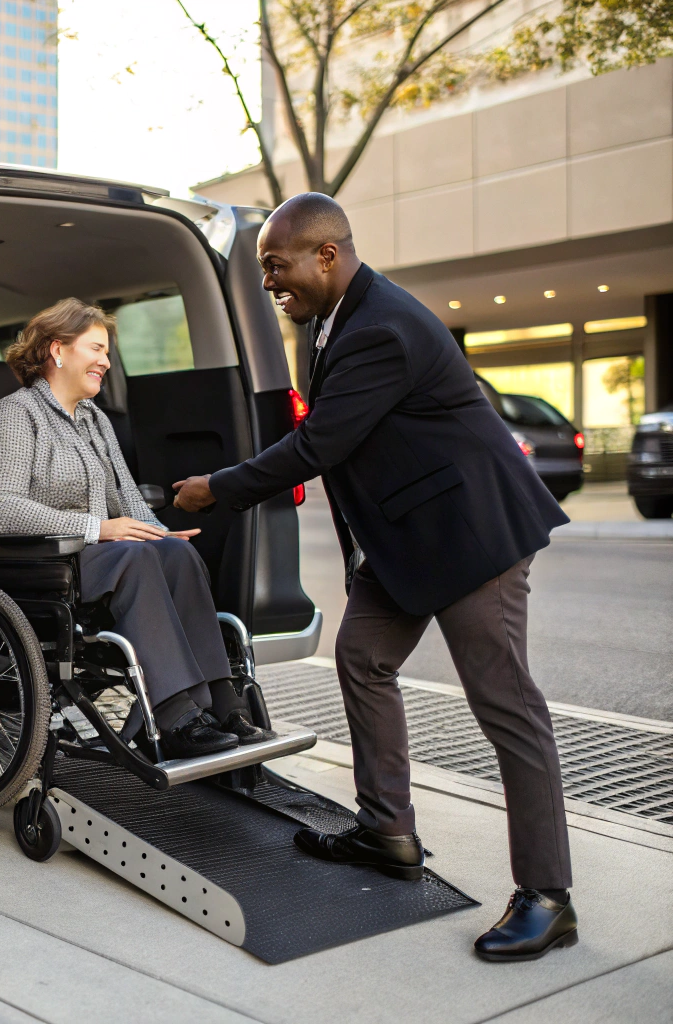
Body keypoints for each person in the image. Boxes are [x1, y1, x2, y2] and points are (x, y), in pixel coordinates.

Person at [172, 193, 577, 962]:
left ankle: (547, 897)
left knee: (507, 707)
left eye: (275, 265)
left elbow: (319, 446)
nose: (268, 281)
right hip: (408, 540)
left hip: (471, 538)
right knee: (361, 657)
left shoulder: (380, 327)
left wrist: (216, 488)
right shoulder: (336, 320)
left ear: (325, 255)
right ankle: (386, 831)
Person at [0, 297, 274, 758]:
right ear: (58, 349)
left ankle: (221, 702)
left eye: (108, 352)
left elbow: (127, 498)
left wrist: (158, 532)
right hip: (41, 561)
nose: (106, 362)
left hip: (97, 555)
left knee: (176, 553)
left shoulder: (93, 419)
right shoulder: (14, 415)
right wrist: (98, 528)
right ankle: (175, 715)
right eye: (96, 349)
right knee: (134, 557)